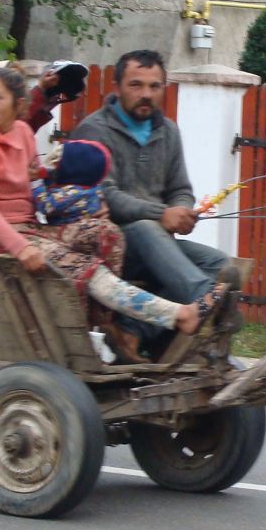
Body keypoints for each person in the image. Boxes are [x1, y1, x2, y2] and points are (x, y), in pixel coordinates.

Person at [0, 66, 224, 358]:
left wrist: (77, 204)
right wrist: (21, 248)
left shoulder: (23, 134)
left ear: (18, 105)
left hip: (26, 227)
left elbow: (33, 183)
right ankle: (178, 315)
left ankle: (105, 328)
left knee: (105, 234)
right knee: (81, 267)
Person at [69, 50, 232, 357]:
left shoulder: (168, 131)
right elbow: (106, 196)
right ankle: (206, 300)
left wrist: (183, 211)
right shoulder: (94, 131)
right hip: (109, 245)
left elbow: (181, 189)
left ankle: (133, 332)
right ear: (117, 87)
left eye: (154, 86)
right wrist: (162, 214)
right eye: (136, 85)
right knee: (144, 227)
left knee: (220, 265)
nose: (146, 94)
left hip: (156, 244)